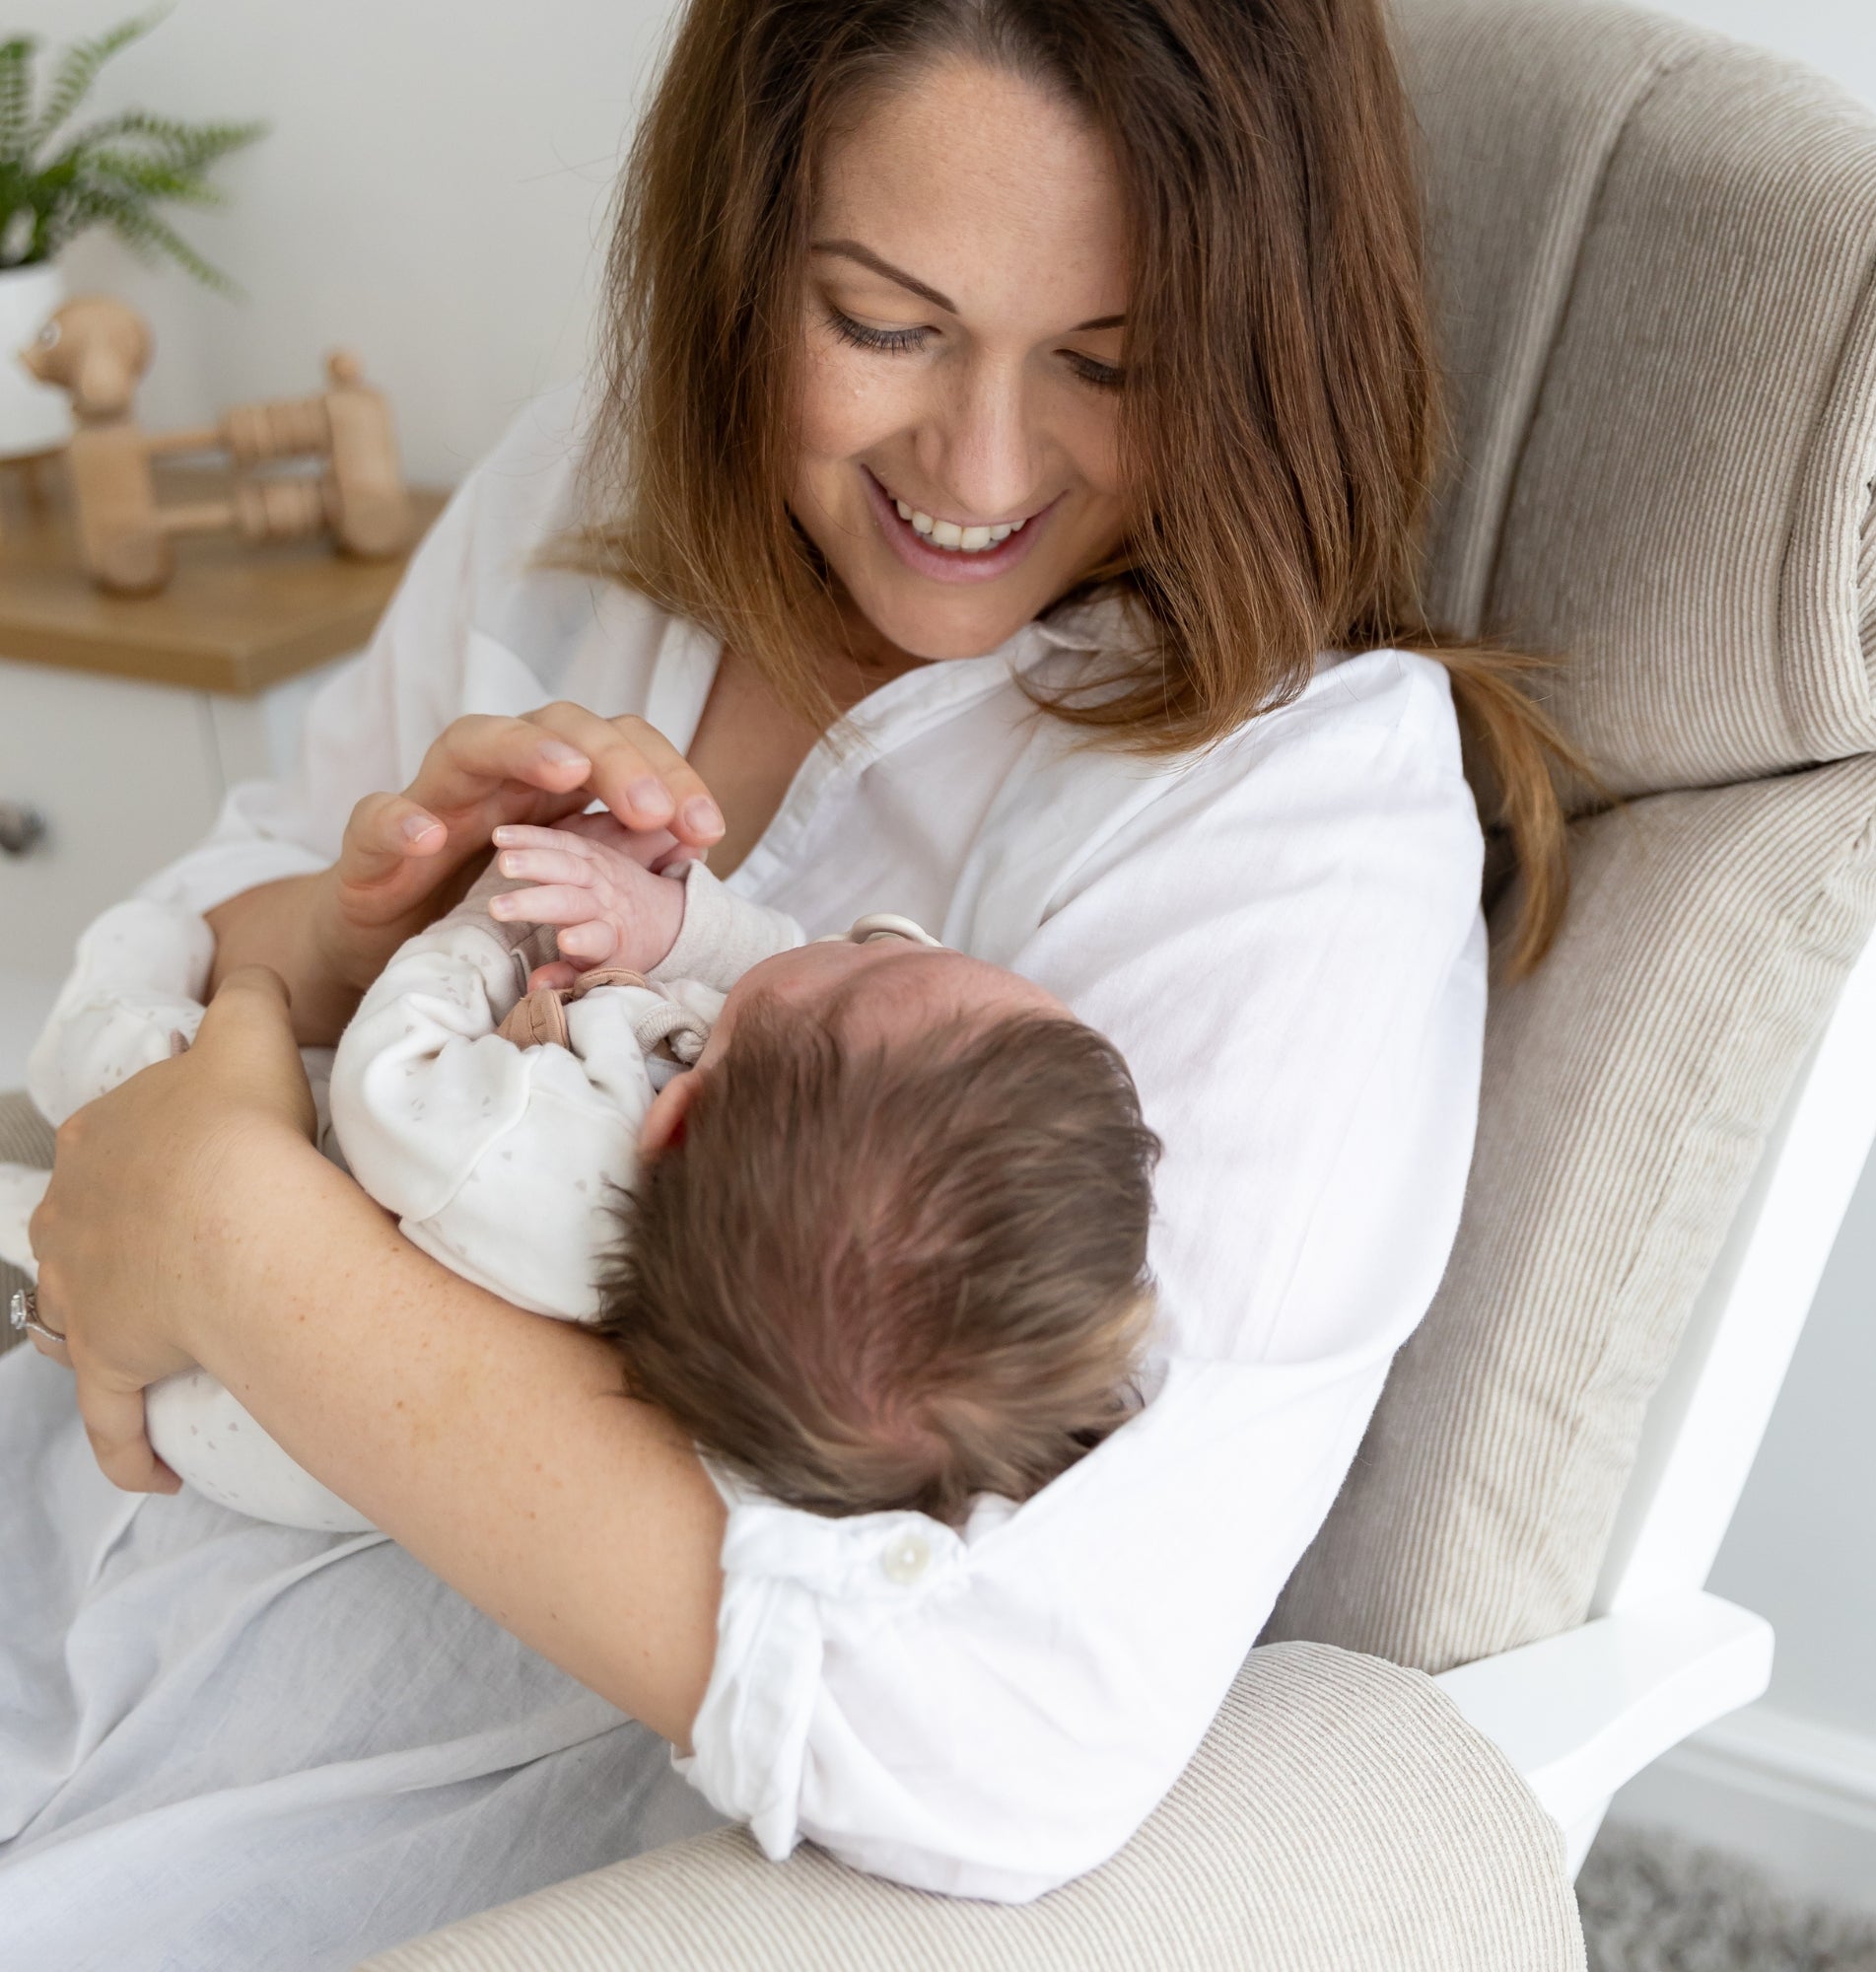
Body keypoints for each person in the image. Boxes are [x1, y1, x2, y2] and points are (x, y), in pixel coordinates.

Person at [5, 0, 1578, 1959]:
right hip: (74, 1520)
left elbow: (1013, 1729)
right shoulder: (599, 489)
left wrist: (242, 1239)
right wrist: (347, 924)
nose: (979, 467)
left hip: (343, 1805)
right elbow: (194, 953)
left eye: (1112, 360)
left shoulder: (1292, 821)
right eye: (882, 323)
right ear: (746, 254)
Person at [14, 817, 1158, 1533]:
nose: (873, 937)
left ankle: (107, 996)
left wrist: (482, 926)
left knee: (142, 1055)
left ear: (678, 1116)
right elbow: (766, 978)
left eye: (867, 952)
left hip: (222, 1392)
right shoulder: (770, 1200)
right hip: (279, 1284)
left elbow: (390, 1080)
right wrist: (668, 922)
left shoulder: (534, 1166)